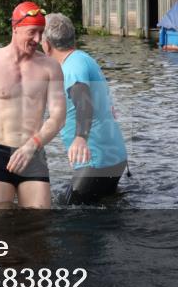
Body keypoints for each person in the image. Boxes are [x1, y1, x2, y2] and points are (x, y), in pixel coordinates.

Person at [0, 2, 65, 209]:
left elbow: (58, 116)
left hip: (33, 153)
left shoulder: (50, 67)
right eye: (32, 32)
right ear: (15, 28)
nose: (38, 39)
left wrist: (32, 145)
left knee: (38, 222)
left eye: (41, 32)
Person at [40, 14, 128, 204]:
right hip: (113, 157)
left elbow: (84, 102)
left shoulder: (71, 68)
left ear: (46, 45)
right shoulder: (83, 58)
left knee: (66, 212)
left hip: (96, 161)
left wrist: (80, 137)